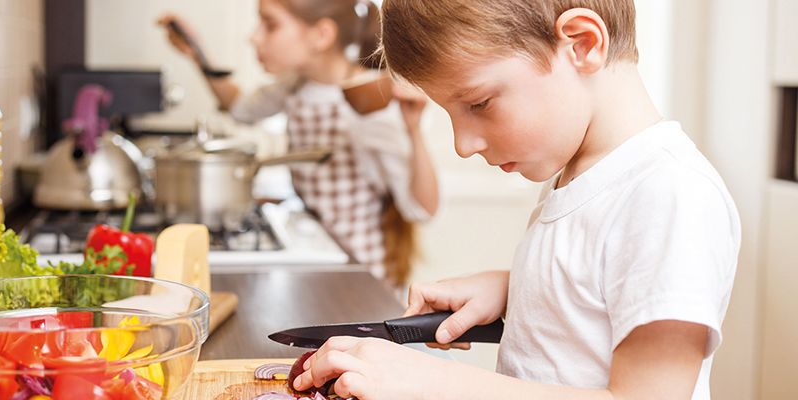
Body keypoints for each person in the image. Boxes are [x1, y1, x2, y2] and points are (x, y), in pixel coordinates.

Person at [292, 0, 741, 399]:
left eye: (479, 103)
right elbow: (603, 288)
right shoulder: (585, 173)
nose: (463, 145)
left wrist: (432, 383)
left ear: (581, 44)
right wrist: (518, 288)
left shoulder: (669, 195)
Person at [158, 0, 439, 285]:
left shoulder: (366, 100)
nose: (253, 37)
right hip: (318, 261)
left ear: (321, 35)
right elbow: (240, 108)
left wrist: (413, 131)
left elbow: (420, 208)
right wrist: (199, 55)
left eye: (270, 25)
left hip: (360, 275)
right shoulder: (295, 85)